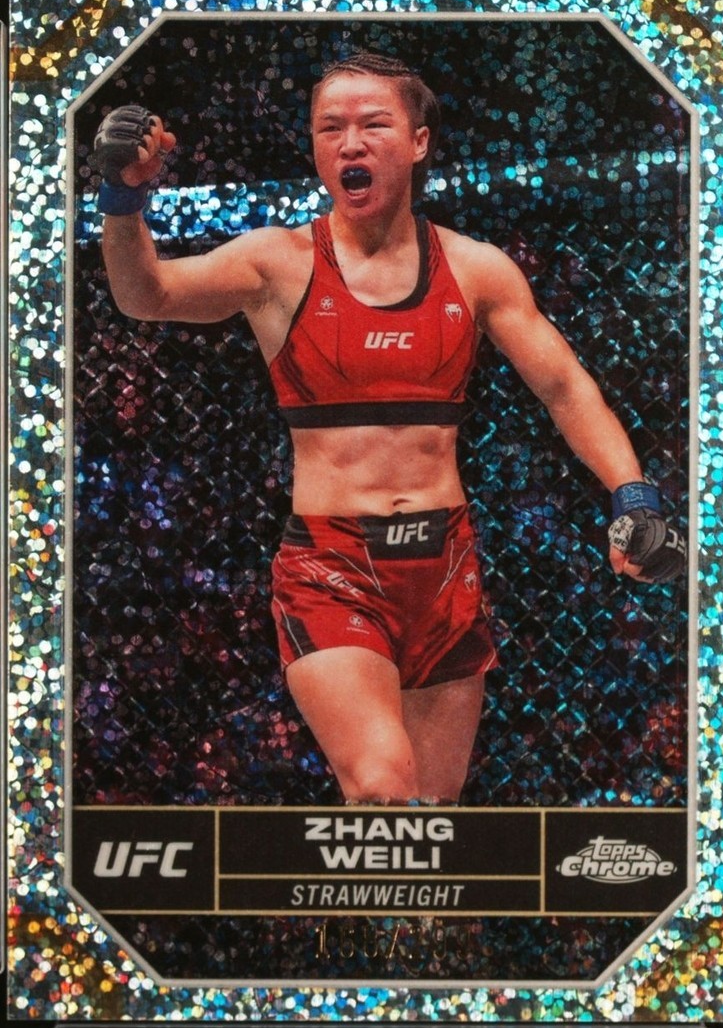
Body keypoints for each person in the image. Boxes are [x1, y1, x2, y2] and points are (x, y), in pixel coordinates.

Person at [91, 51, 685, 805]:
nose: (350, 143)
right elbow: (147, 295)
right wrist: (123, 198)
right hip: (331, 567)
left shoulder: (476, 270)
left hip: (444, 568)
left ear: (418, 141)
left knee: (431, 821)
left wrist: (632, 495)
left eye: (373, 124)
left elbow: (565, 388)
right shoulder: (277, 263)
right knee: (381, 783)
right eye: (329, 128)